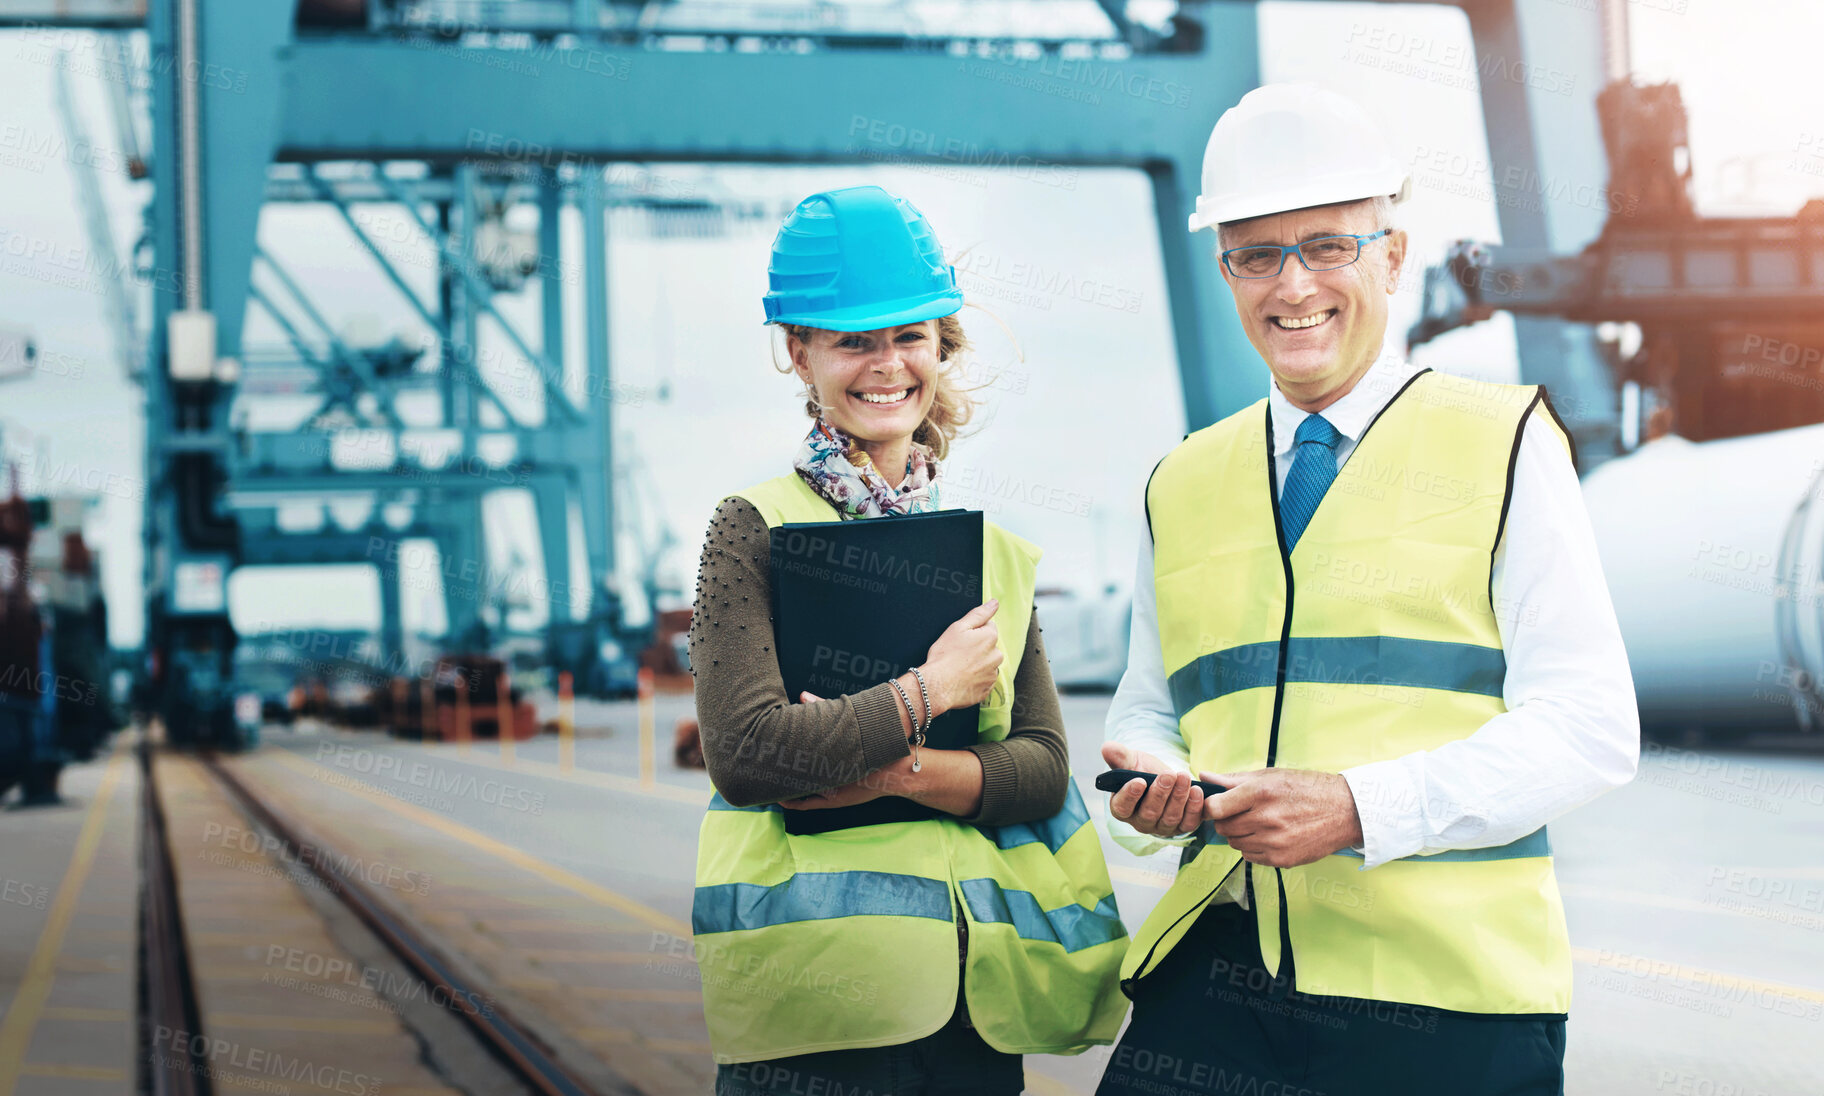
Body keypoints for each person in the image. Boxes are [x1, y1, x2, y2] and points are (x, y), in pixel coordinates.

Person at [1095, 84, 1639, 1096]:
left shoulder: (1505, 441)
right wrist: (1155, 786)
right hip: (1217, 979)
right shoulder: (1181, 480)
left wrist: (1357, 808)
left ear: (1392, 254)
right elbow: (1149, 707)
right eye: (1258, 254)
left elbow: (1589, 724)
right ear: (1226, 272)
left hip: (1443, 1000)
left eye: (1329, 245)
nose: (1293, 285)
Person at [688, 184, 1127, 1095]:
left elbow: (1043, 771)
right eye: (852, 341)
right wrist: (927, 694)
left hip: (974, 1013)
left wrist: (877, 767)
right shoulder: (751, 527)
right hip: (816, 1021)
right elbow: (750, 754)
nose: (885, 365)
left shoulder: (992, 552)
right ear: (799, 352)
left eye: (908, 337)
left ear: (940, 345)